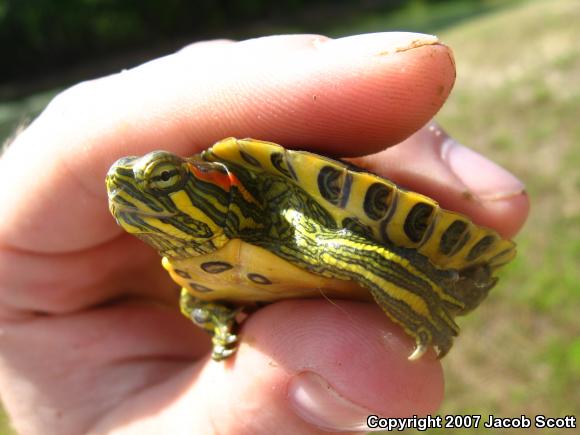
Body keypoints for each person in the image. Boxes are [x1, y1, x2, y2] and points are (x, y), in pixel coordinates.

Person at [0, 32, 529, 434]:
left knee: (337, 250)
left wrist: (423, 296)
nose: (127, 186)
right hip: (269, 284)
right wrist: (217, 319)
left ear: (218, 185)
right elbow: (202, 303)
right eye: (123, 193)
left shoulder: (281, 205)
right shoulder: (188, 272)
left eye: (163, 178)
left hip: (341, 231)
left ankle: (429, 290)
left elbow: (340, 247)